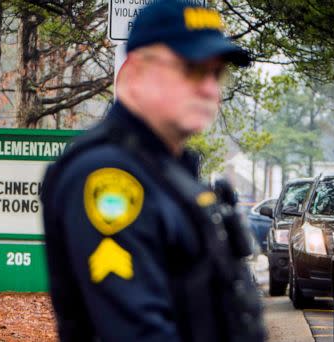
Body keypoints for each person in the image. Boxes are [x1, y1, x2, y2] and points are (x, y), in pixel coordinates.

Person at [40, 1, 265, 341]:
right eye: (191, 70)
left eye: (216, 73)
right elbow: (137, 331)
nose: (209, 88)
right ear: (134, 74)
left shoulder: (170, 172)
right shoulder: (107, 176)